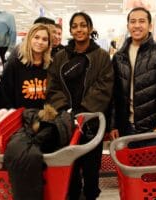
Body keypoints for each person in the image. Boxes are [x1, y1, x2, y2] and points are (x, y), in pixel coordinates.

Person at [47, 12, 114, 200]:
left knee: (92, 173)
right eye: (75, 26)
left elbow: (104, 86)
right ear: (70, 30)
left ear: (90, 28)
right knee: (70, 173)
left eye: (83, 25)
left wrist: (82, 111)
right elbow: (53, 86)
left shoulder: (101, 56)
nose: (79, 29)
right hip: (66, 124)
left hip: (91, 124)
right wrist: (66, 111)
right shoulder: (61, 57)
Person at [109, 7, 156, 145]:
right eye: (133, 21)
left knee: (150, 166)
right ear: (128, 26)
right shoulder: (119, 56)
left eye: (142, 21)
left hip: (154, 128)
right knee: (125, 165)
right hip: (125, 129)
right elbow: (114, 94)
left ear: (150, 26)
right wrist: (113, 125)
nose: (137, 25)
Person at [0, 23, 52, 109]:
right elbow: (5, 94)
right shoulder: (14, 64)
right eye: (36, 37)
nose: (40, 42)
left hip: (44, 118)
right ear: (29, 39)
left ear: (48, 43)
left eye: (45, 39)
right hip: (21, 117)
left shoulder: (51, 66)